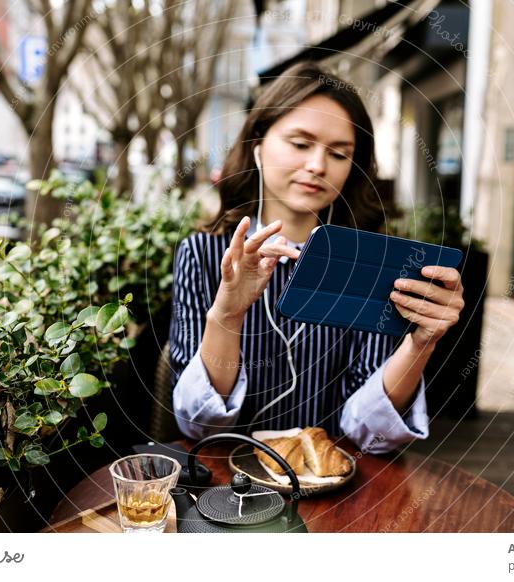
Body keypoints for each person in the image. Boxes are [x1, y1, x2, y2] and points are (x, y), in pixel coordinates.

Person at [169, 62, 465, 454]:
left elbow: (370, 437)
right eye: (300, 143)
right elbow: (197, 424)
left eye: (339, 154)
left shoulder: (369, 264)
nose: (317, 166)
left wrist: (421, 344)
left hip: (335, 486)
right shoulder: (204, 255)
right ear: (258, 145)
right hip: (227, 489)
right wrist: (227, 316)